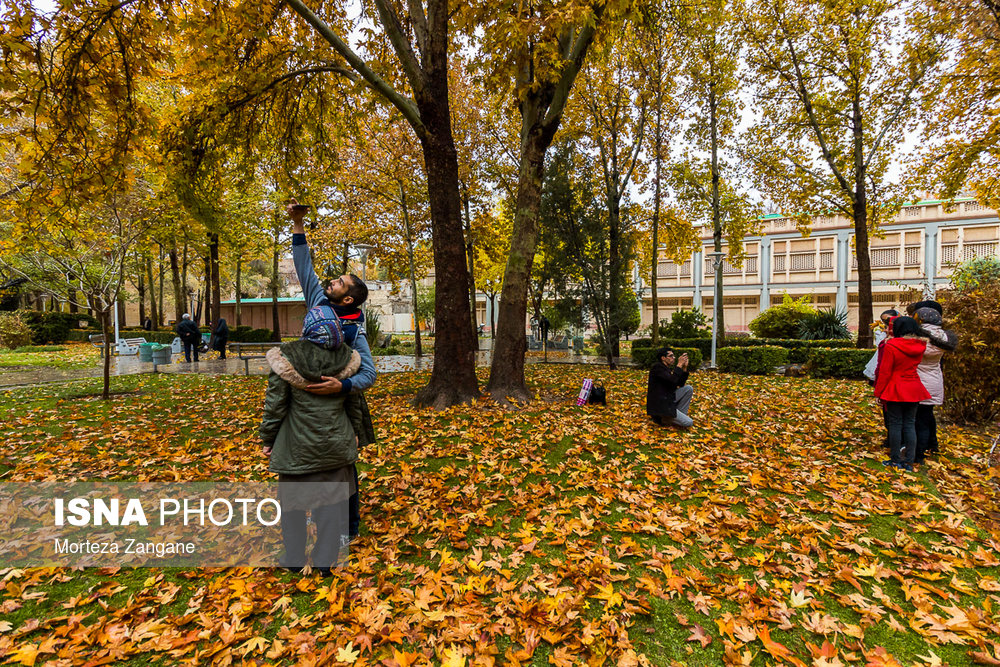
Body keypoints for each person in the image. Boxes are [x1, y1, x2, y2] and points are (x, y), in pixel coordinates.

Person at [287, 200, 376, 542]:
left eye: (339, 283)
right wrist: (298, 225)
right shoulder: (318, 301)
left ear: (349, 300)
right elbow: (303, 265)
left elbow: (369, 375)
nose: (331, 282)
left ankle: (348, 530)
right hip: (307, 403)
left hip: (338, 408)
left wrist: (340, 387)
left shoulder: (355, 330)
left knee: (342, 468)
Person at [260, 305, 362, 574]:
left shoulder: (287, 358)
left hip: (296, 447)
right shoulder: (348, 359)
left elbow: (275, 406)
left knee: (292, 506)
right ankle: (324, 562)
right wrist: (357, 435)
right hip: (335, 445)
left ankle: (293, 559)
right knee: (331, 506)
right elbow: (355, 405)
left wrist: (267, 439)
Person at [873, 316, 930, 471]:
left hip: (895, 387)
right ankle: (909, 460)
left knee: (895, 424)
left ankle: (895, 459)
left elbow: (885, 371)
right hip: (913, 386)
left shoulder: (891, 346)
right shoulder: (920, 345)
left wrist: (878, 392)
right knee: (910, 424)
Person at [913, 306, 957, 461]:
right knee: (926, 417)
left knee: (917, 420)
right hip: (934, 380)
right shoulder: (944, 337)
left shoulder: (915, 336)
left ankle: (917, 454)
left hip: (917, 380)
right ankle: (929, 446)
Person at [646, 347, 693, 429]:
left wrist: (684, 368)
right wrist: (679, 365)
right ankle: (663, 419)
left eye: (673, 356)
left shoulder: (666, 368)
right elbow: (672, 380)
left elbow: (679, 384)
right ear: (663, 358)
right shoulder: (657, 368)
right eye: (671, 356)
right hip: (661, 404)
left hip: (668, 398)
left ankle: (675, 416)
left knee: (688, 389)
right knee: (689, 422)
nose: (674, 358)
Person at [863, 309, 899, 383]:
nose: (887, 322)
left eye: (888, 320)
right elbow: (879, 344)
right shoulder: (883, 331)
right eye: (884, 321)